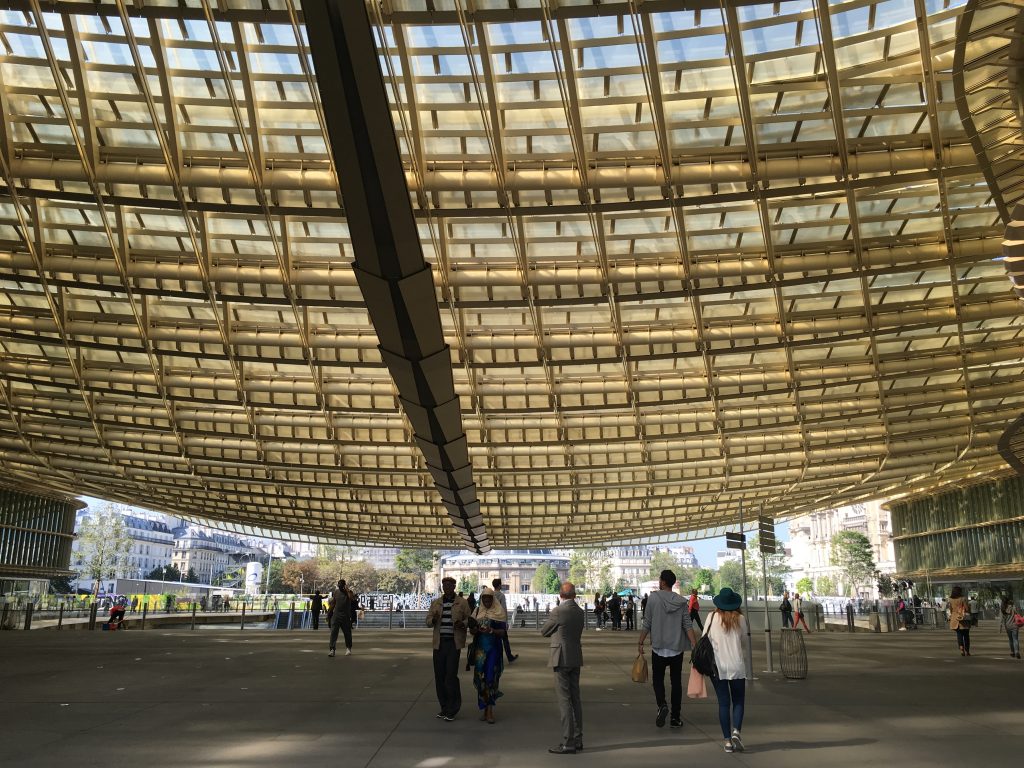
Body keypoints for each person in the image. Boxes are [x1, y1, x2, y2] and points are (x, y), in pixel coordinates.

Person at [637, 570, 698, 729]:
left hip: (658, 647)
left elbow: (647, 622)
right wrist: (694, 644)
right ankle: (675, 718)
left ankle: (662, 705)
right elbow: (687, 624)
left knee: (658, 679)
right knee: (676, 682)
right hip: (676, 648)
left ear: (663, 582)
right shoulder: (681, 601)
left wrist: (641, 641)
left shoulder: (653, 599)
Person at [703, 587, 751, 754]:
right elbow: (744, 641)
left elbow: (705, 639)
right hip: (737, 666)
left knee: (724, 703)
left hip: (718, 667)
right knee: (738, 701)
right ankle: (736, 731)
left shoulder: (711, 617)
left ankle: (727, 742)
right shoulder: (742, 619)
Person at [542, 582, 584, 755]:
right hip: (575, 657)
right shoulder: (580, 612)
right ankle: (578, 738)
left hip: (561, 658)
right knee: (576, 699)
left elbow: (544, 631)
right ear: (574, 595)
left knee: (564, 701)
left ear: (560, 594)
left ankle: (568, 742)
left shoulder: (558, 611)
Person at [427, 577, 471, 721]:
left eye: (449, 585)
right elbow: (427, 620)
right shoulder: (436, 603)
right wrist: (433, 620)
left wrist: (462, 624)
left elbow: (469, 619)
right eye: (444, 585)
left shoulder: (462, 603)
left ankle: (453, 708)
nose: (446, 588)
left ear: (454, 586)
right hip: (439, 644)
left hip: (453, 644)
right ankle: (444, 707)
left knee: (450, 676)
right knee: (439, 677)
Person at [470, 587, 507, 723]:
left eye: (489, 598)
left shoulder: (499, 612)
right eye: (484, 598)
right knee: (481, 678)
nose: (486, 601)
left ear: (493, 599)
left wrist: (492, 630)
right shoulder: (477, 611)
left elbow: (503, 633)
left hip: (493, 650)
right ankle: (484, 708)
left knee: (491, 677)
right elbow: (472, 631)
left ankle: (490, 710)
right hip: (480, 651)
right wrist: (475, 629)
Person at [492, 578, 518, 662]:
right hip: (499, 620)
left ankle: (494, 656)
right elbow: (503, 609)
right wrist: (506, 622)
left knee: (493, 638)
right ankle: (509, 656)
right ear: (499, 585)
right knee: (505, 639)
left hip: (491, 619)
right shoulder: (501, 595)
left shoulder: (490, 594)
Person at [328, 579, 354, 657]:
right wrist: (329, 613)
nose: (340, 587)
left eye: (341, 585)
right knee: (333, 633)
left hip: (345, 616)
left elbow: (351, 598)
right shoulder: (336, 592)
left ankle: (348, 649)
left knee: (347, 633)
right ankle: (332, 649)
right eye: (339, 585)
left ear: (344, 585)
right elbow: (333, 603)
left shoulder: (349, 592)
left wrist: (347, 590)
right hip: (336, 615)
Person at [948, 585, 971, 656]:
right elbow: (967, 609)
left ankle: (961, 648)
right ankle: (967, 651)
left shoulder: (950, 599)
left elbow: (950, 610)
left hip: (955, 618)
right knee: (966, 635)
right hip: (963, 618)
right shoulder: (963, 599)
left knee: (959, 634)